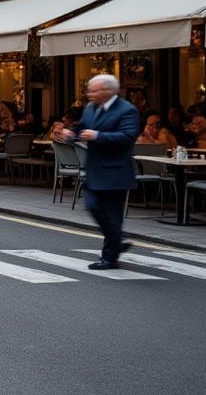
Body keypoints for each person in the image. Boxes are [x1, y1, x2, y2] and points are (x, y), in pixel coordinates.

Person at [62, 74, 139, 270]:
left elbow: (128, 137)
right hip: (95, 169)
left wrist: (98, 136)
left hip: (115, 171)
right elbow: (82, 130)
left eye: (94, 91)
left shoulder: (127, 110)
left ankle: (109, 258)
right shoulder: (90, 108)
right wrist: (70, 135)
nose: (90, 94)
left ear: (109, 91)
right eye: (89, 90)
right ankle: (118, 238)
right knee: (92, 205)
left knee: (112, 214)